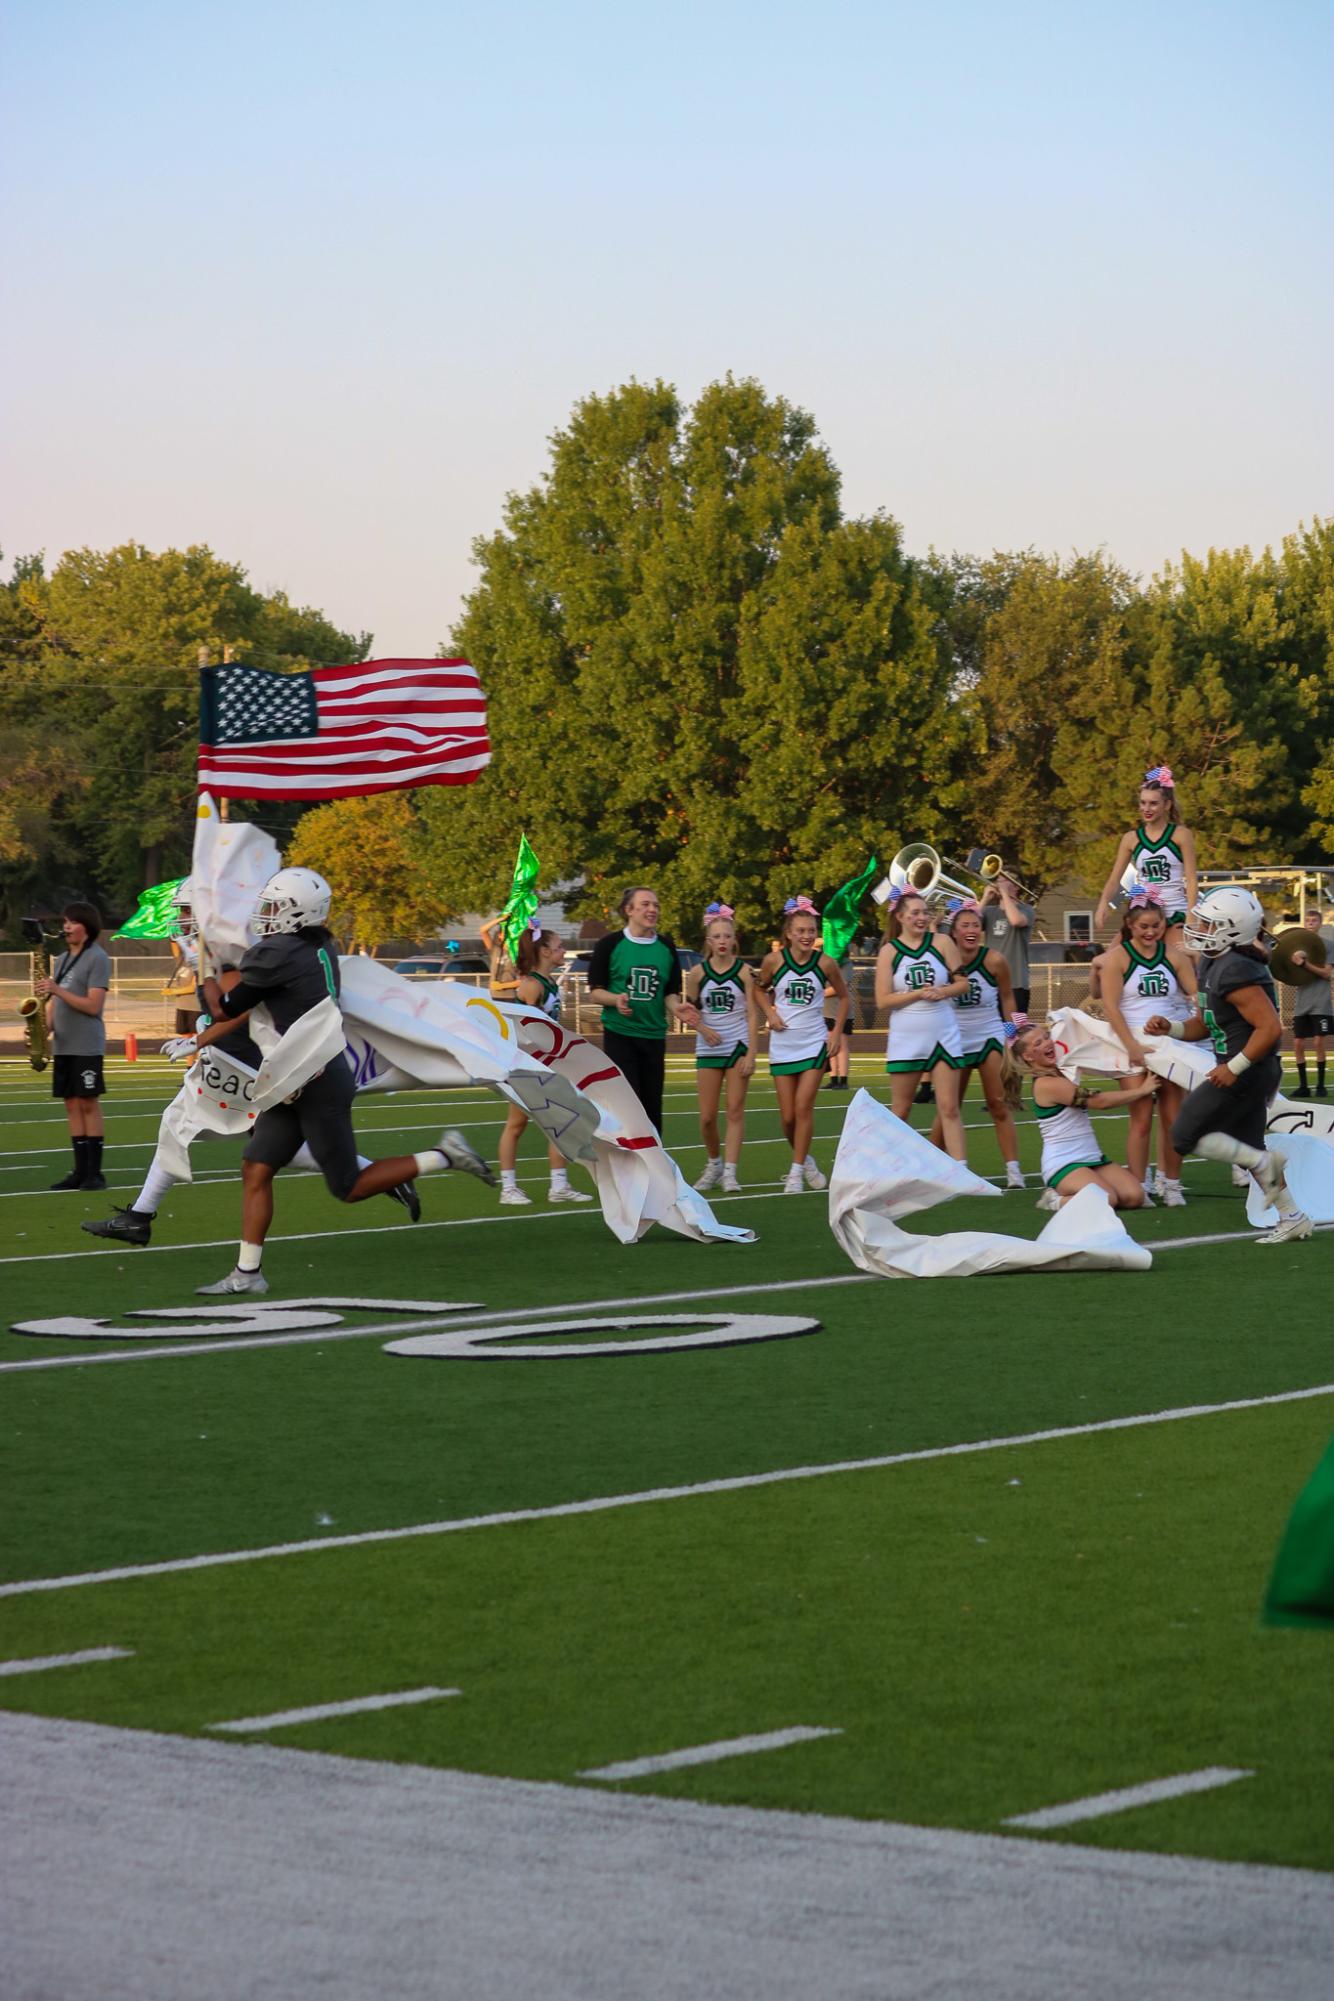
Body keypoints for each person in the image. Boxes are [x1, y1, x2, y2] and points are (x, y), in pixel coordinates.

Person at [195, 867, 492, 1296]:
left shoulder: (278, 951)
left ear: (298, 913)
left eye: (276, 906)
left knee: (348, 1187)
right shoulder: (317, 943)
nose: (267, 913)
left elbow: (225, 1008)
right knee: (256, 1167)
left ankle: (443, 1156)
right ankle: (248, 1273)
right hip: (293, 1074)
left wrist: (205, 968)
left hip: (315, 1077)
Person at [82, 883, 420, 1246]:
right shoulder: (218, 950)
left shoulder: (230, 954)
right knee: (252, 1141)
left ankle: (140, 1218)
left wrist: (202, 1035)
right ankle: (376, 1174)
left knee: (181, 1123)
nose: (180, 921)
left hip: (243, 1062)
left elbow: (234, 1009)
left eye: (185, 913)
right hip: (238, 1059)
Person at [1146, 885, 1312, 1246]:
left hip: (1248, 1069)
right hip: (1244, 1067)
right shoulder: (1213, 960)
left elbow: (1270, 1029)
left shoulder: (1235, 968)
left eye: (1208, 924)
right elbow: (1204, 1023)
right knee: (1249, 1146)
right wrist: (1170, 1028)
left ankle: (1271, 1173)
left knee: (1183, 1135)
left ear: (1232, 928)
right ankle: (1293, 1216)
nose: (1199, 929)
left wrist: (1233, 1068)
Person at [1098, 888, 1197, 1206]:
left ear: (1164, 924)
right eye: (1143, 926)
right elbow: (1111, 1007)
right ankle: (1139, 1185)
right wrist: (1131, 1046)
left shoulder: (1174, 956)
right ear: (1130, 925)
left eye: (1156, 925)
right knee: (1140, 1117)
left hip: (1168, 1045)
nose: (1150, 932)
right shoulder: (1117, 958)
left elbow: (1196, 996)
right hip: (1131, 1045)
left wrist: (1192, 1022)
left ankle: (1171, 1183)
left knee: (1173, 1118)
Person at [1003, 1021, 1159, 1208]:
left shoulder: (1061, 1071)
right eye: (1037, 1043)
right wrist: (1141, 1091)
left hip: (1091, 1156)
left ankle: (1084, 1189)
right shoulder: (1047, 1083)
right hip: (1064, 1163)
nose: (1047, 1043)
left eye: (1046, 1037)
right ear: (1028, 1056)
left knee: (1134, 1197)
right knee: (1106, 1199)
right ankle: (1055, 1200)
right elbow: (1099, 1102)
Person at [586, 886, 699, 1136]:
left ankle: (653, 1168)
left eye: (656, 905)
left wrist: (677, 1007)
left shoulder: (667, 948)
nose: (652, 910)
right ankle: (627, 1164)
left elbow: (668, 993)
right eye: (646, 904)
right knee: (627, 1105)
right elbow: (595, 991)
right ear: (629, 910)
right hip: (620, 1034)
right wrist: (616, 1000)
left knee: (652, 1107)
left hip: (654, 1036)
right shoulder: (609, 944)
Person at [928, 899, 1025, 1188]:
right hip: (953, 1036)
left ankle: (1013, 1170)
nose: (971, 930)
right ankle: (931, 1167)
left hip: (988, 1034)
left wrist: (1012, 1034)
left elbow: (1008, 998)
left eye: (975, 925)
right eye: (964, 925)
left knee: (998, 1103)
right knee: (949, 1106)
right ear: (953, 932)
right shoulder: (943, 959)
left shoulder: (994, 959)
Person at [498, 921, 593, 1207]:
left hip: (548, 1063)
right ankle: (508, 1187)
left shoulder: (550, 983)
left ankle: (559, 1185)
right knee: (516, 1125)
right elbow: (528, 1031)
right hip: (526, 1063)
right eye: (559, 947)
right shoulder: (531, 985)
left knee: (560, 1122)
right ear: (545, 951)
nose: (563, 950)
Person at [758, 896, 848, 1193]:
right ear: (789, 934)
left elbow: (845, 997)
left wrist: (834, 1034)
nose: (807, 936)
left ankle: (796, 1172)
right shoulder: (774, 961)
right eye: (801, 931)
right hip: (783, 1045)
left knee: (803, 1107)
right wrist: (770, 1012)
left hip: (813, 1043)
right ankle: (805, 1160)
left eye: (811, 930)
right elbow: (759, 990)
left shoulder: (825, 963)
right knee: (787, 1118)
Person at [876, 888, 970, 1159]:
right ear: (901, 917)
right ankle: (891, 1168)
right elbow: (883, 1000)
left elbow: (963, 983)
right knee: (901, 1110)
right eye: (915, 912)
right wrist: (917, 994)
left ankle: (961, 1169)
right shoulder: (889, 951)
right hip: (907, 1037)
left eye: (924, 912)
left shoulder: (942, 942)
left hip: (943, 1033)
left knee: (949, 1107)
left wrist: (942, 992)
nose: (921, 917)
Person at [685, 902, 764, 1194]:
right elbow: (689, 1014)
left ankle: (730, 1172)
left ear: (734, 940)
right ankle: (714, 1163)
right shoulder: (697, 974)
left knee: (734, 1111)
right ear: (708, 941)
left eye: (726, 936)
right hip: (708, 1048)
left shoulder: (744, 972)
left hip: (737, 1046)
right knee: (706, 1117)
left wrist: (752, 1054)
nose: (722, 941)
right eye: (716, 936)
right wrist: (704, 1029)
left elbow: (753, 1014)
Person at [37, 901, 111, 1192]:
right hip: (64, 1045)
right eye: (65, 921)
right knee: (71, 1105)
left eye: (72, 922)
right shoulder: (62, 959)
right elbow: (56, 1004)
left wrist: (57, 990)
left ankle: (95, 1174)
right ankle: (79, 1172)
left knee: (88, 1104)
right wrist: (42, 1029)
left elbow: (93, 1006)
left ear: (87, 927)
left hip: (86, 1044)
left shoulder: (98, 958)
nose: (65, 927)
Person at [1094, 765, 1198, 936]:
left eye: (1153, 803)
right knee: (1105, 961)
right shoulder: (1131, 838)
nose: (1146, 809)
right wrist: (1103, 905)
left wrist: (1191, 917)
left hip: (1173, 913)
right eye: (1143, 803)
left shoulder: (1181, 835)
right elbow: (1114, 879)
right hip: (1142, 914)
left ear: (1167, 805)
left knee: (1183, 956)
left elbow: (1192, 879)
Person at [1288, 905, 1334, 1098]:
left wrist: (1305, 964)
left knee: (1318, 1042)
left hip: (1321, 1002)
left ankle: (1321, 1085)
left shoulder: (1328, 945)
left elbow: (1326, 973)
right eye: (1307, 921)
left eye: (1314, 921)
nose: (1310, 924)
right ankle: (1304, 1086)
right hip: (1302, 1002)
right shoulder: (1297, 948)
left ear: (1320, 924)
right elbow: (1289, 974)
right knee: (1298, 1044)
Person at [979, 871, 1036, 1014]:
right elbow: (969, 926)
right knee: (993, 1029)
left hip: (1015, 983)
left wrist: (1004, 894)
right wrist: (985, 899)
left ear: (1016, 887)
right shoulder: (988, 911)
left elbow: (1016, 921)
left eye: (1004, 880)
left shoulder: (1026, 910)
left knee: (1014, 1031)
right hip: (990, 983)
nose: (998, 883)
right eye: (998, 879)